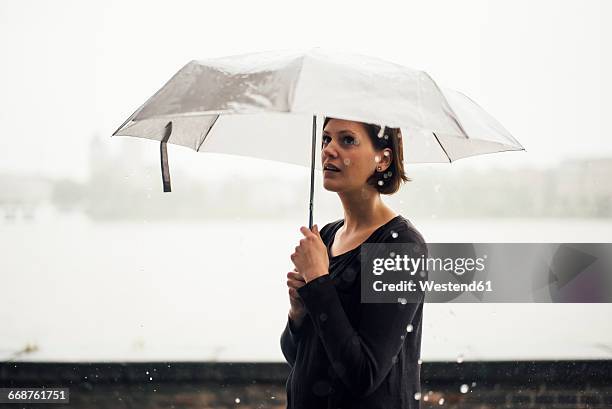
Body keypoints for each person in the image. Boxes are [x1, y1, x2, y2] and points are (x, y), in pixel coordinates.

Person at [280, 117, 428, 409]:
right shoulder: (326, 236)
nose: (328, 150)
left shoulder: (399, 246)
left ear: (382, 160)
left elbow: (363, 375)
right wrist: (297, 313)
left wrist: (319, 281)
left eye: (347, 140)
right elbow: (298, 355)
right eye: (326, 139)